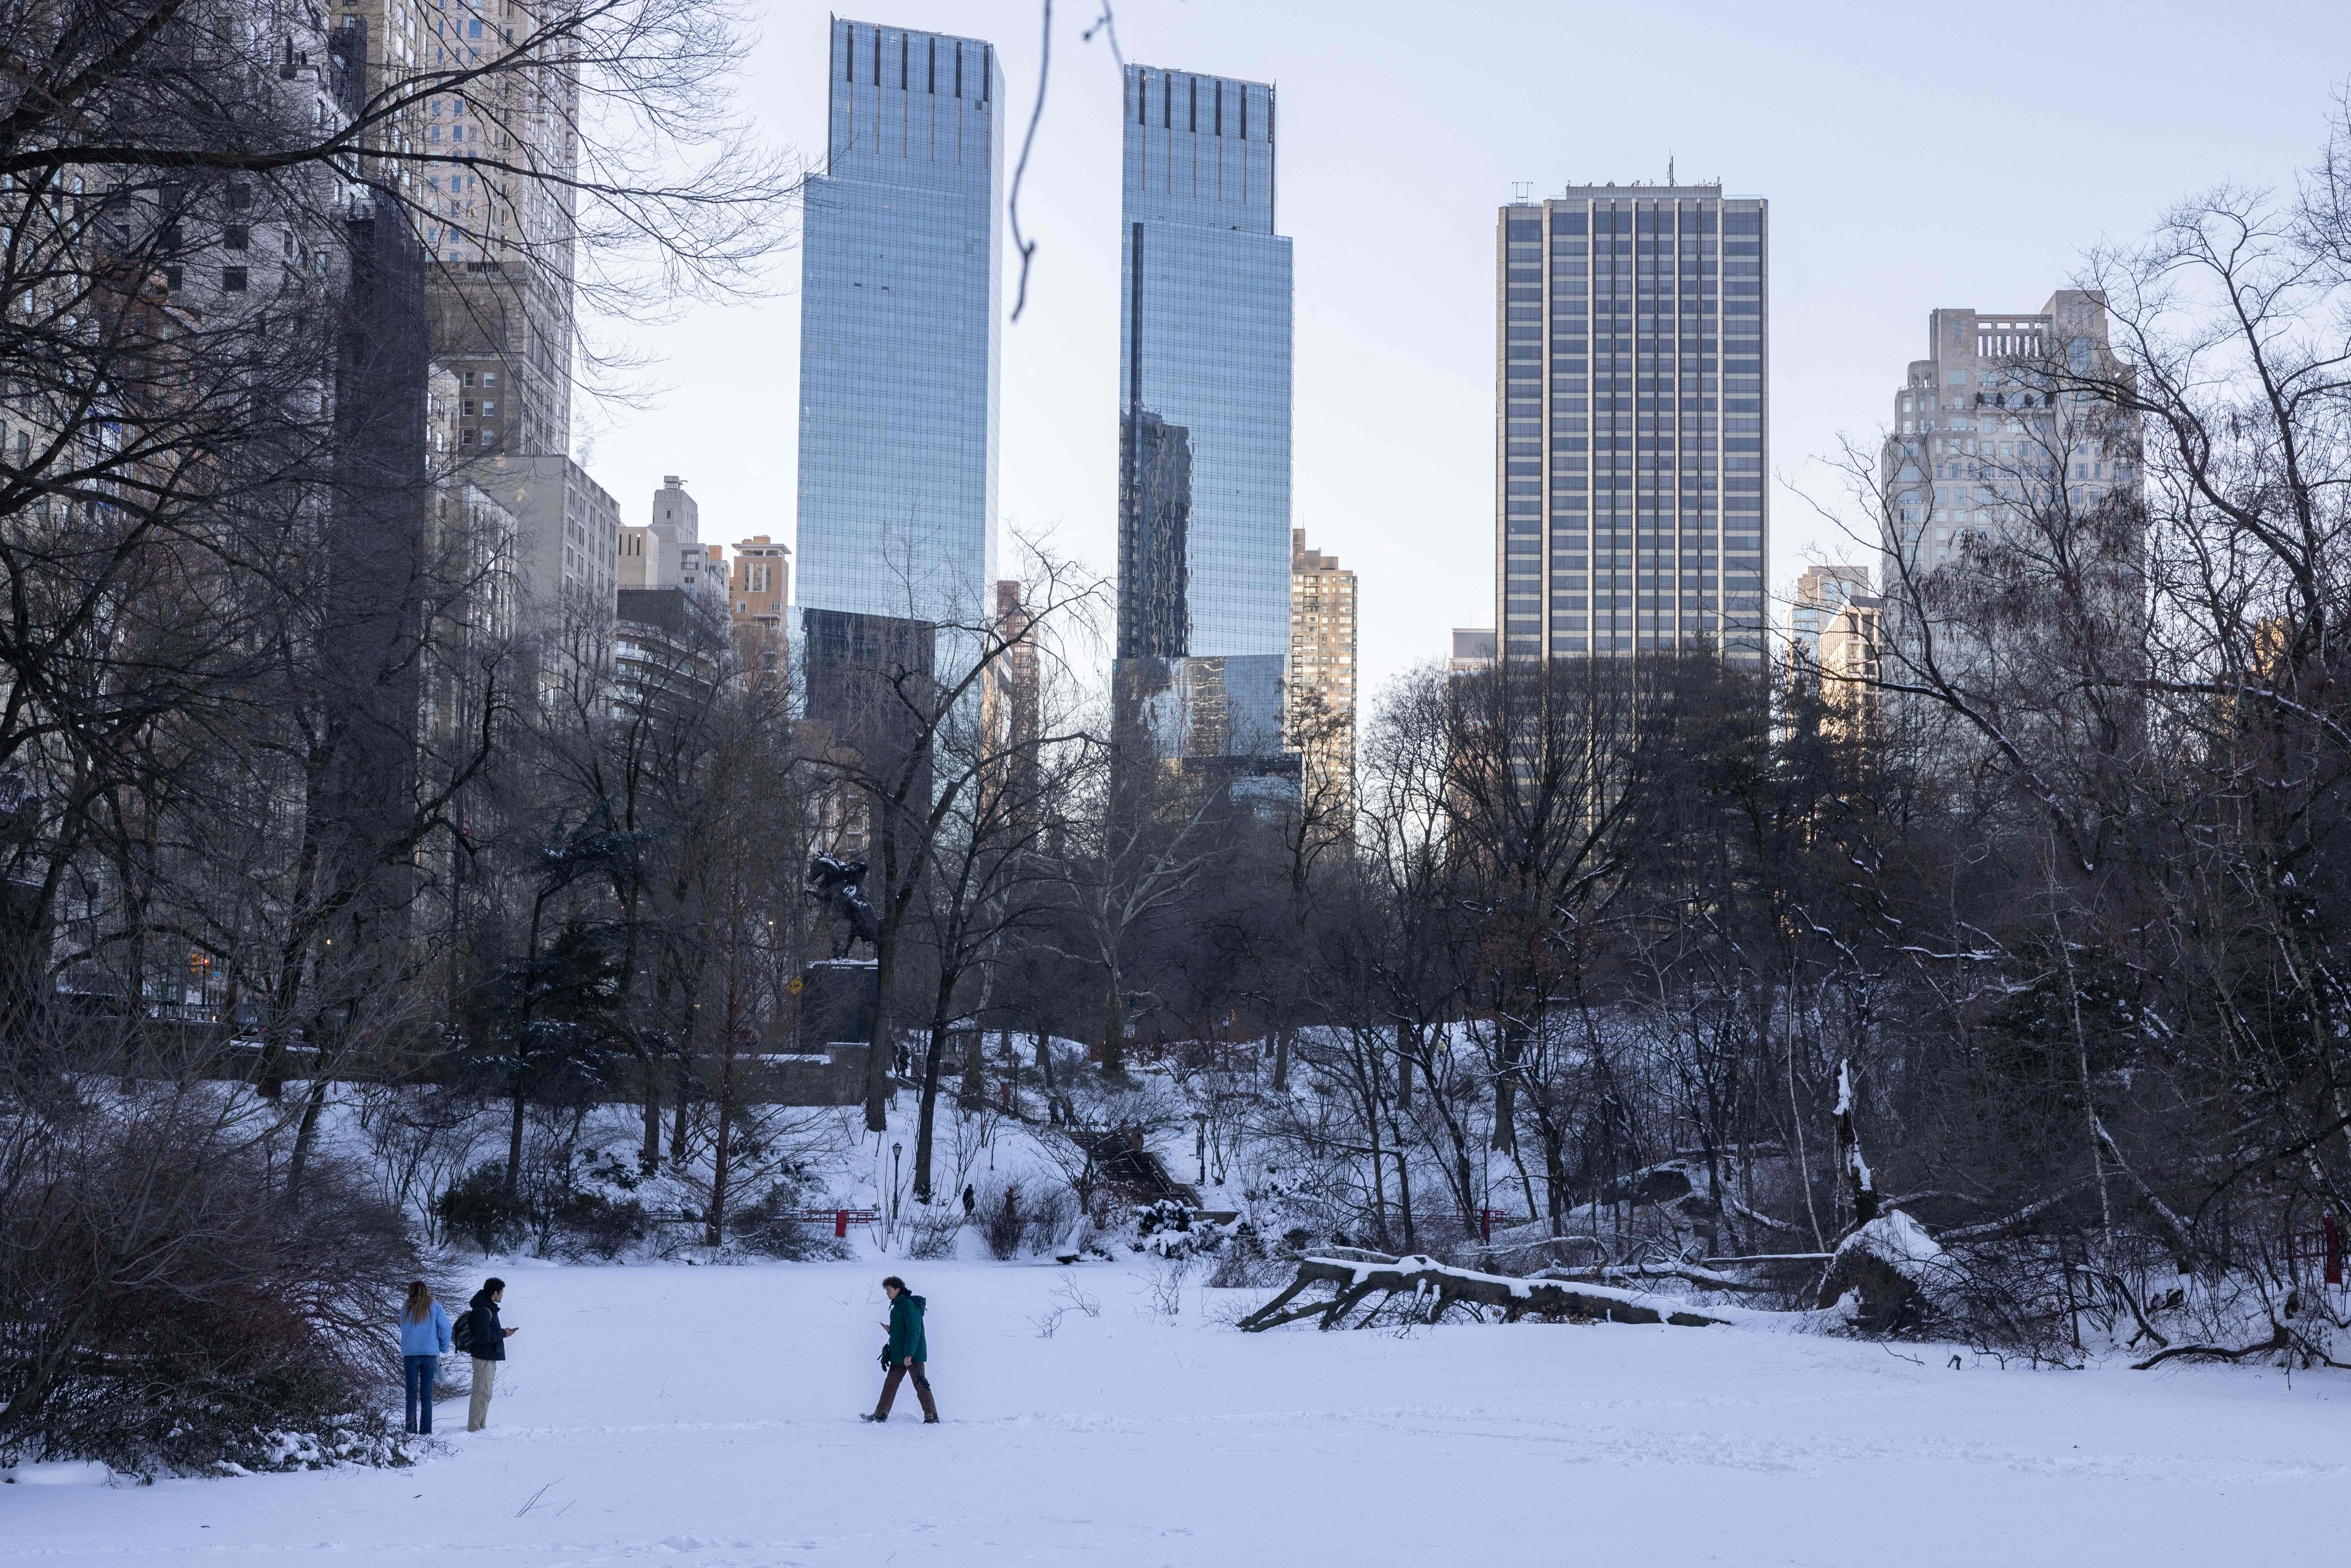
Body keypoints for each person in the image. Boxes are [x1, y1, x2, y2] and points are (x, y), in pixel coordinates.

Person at [860, 1276, 938, 1424]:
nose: (887, 1294)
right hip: (899, 1355)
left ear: (898, 1289)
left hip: (912, 1356)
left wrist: (910, 1354)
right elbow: (903, 1331)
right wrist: (891, 1330)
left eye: (889, 1290)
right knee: (891, 1384)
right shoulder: (897, 1306)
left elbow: (914, 1332)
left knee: (920, 1384)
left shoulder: (909, 1306)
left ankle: (932, 1417)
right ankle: (880, 1415)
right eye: (886, 1291)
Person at [464, 1277, 519, 1432]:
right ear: (495, 1293)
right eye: (501, 1293)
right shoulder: (483, 1310)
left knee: (486, 1393)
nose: (502, 1296)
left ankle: (480, 1427)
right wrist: (503, 1334)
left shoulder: (487, 1307)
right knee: (481, 1393)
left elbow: (487, 1333)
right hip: (483, 1358)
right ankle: (474, 1429)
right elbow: (484, 1338)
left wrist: (503, 1333)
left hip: (489, 1357)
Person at [397, 1282, 452, 1436]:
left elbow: (403, 1327)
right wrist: (443, 1347)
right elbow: (446, 1329)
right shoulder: (435, 1307)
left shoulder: (405, 1309)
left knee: (411, 1394)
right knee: (427, 1394)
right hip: (429, 1355)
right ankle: (426, 1431)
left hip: (410, 1355)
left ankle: (410, 1430)